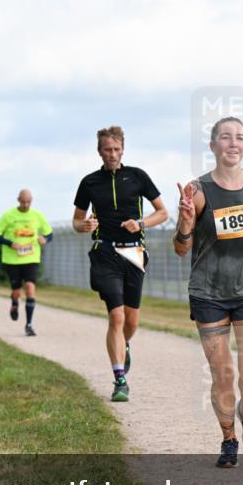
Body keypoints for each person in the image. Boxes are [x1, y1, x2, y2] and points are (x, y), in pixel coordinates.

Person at [173, 117, 243, 468]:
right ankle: (228, 439)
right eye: (225, 137)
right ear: (213, 146)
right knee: (222, 373)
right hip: (209, 293)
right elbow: (180, 248)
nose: (233, 143)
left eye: (239, 137)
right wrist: (187, 222)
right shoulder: (198, 190)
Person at [72, 125, 168, 403]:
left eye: (116, 149)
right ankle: (120, 380)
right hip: (105, 252)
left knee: (131, 320)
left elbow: (162, 212)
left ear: (123, 149)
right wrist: (85, 224)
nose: (112, 154)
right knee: (116, 316)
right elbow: (77, 222)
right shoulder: (89, 182)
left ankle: (123, 344)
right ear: (99, 151)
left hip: (134, 253)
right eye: (106, 150)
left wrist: (140, 223)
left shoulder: (137, 176)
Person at [0, 189, 52, 337]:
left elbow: (49, 234)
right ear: (18, 200)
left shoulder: (37, 215)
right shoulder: (9, 215)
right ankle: (14, 303)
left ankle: (29, 325)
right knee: (17, 291)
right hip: (12, 260)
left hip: (31, 258)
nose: (25, 205)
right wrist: (9, 243)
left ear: (31, 201)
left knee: (30, 289)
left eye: (28, 202)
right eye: (23, 202)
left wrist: (46, 239)